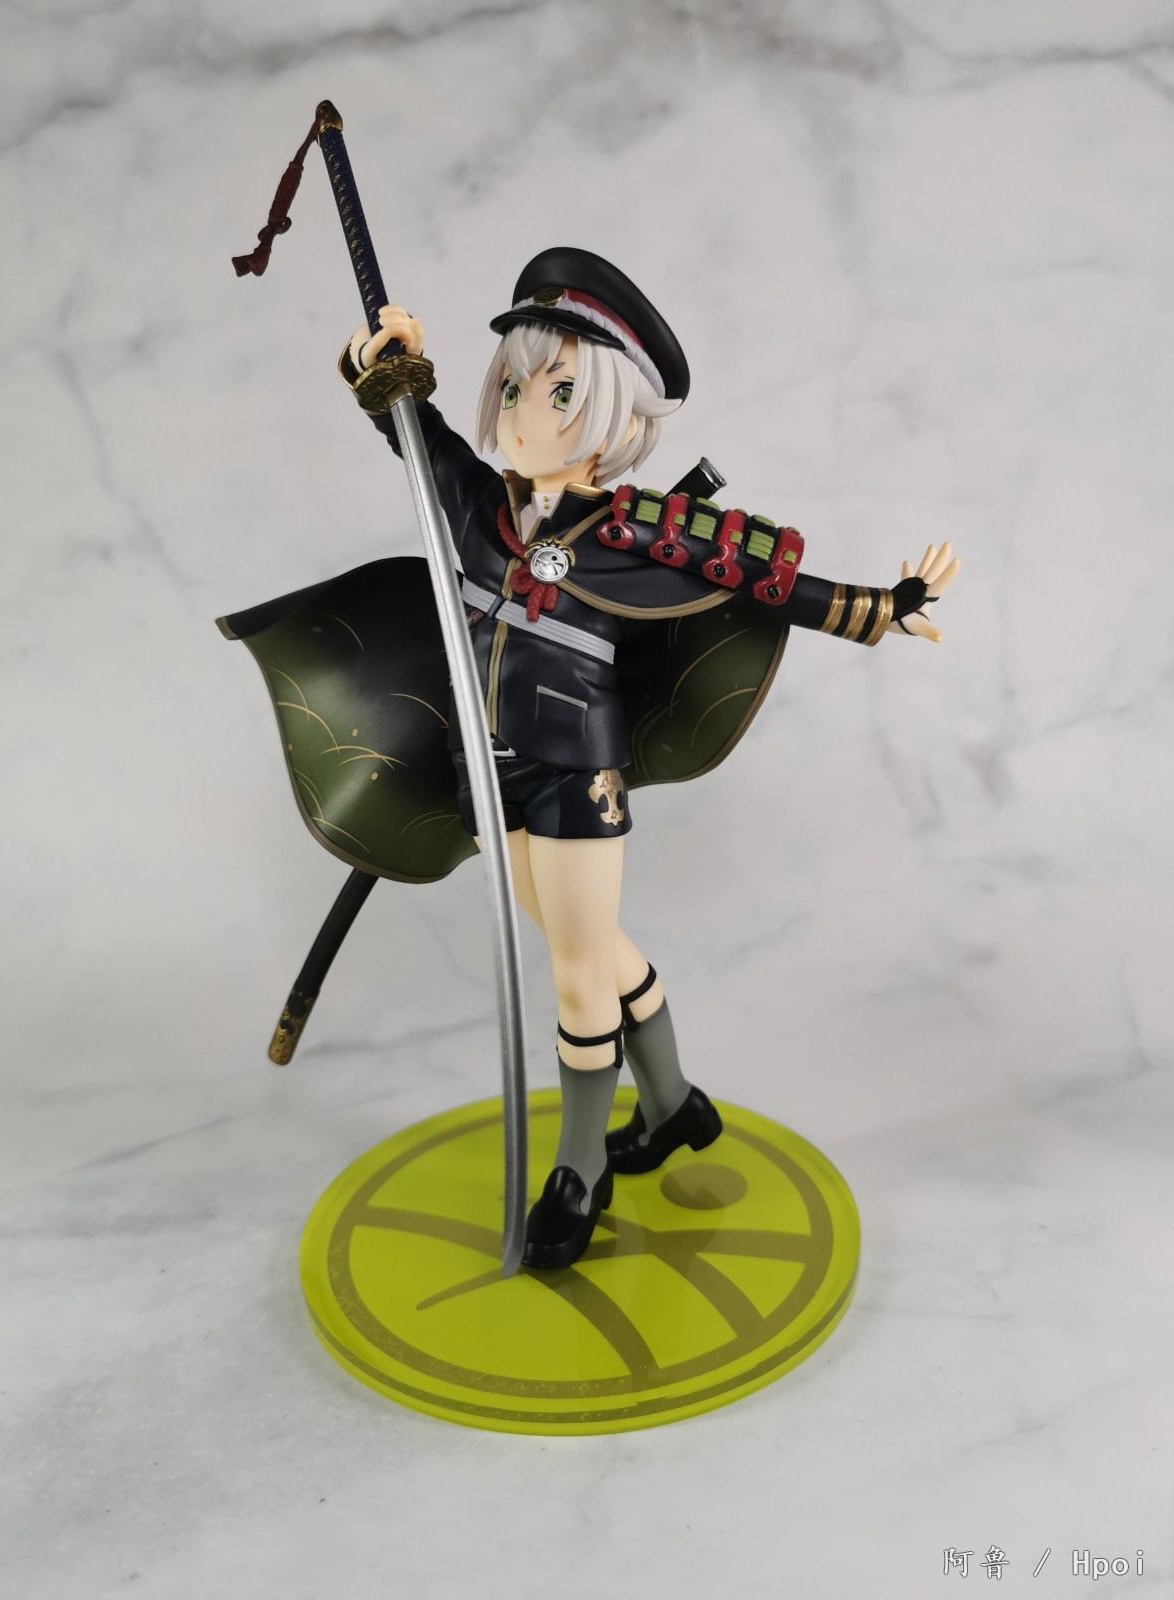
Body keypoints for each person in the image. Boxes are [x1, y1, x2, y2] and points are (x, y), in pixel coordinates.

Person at [337, 247, 959, 1270]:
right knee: (583, 943)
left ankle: (579, 1173)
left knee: (578, 971)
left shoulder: (639, 532)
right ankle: (673, 1104)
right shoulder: (480, 507)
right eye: (515, 386)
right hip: (486, 765)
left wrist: (880, 608)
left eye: (560, 390)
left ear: (610, 415)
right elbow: (416, 434)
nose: (526, 411)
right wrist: (387, 365)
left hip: (575, 772)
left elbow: (761, 580)